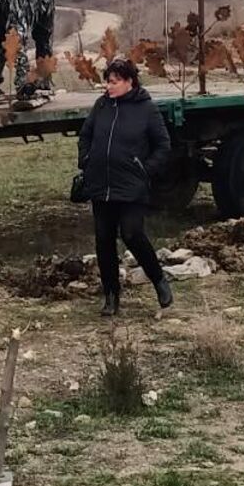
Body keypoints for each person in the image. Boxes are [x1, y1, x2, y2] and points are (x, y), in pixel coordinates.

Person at [75, 58, 173, 316]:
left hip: (131, 185)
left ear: (130, 82)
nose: (109, 86)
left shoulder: (146, 109)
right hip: (101, 184)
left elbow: (163, 145)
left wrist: (145, 169)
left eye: (115, 82)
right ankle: (111, 296)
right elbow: (85, 135)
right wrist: (86, 160)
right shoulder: (101, 105)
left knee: (132, 234)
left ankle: (159, 280)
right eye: (108, 81)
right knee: (104, 241)